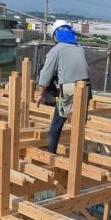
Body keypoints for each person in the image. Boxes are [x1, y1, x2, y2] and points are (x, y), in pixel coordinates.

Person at [36, 19, 91, 154]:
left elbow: (45, 74)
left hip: (69, 92)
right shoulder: (79, 47)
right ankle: (77, 153)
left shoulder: (57, 50)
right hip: (87, 89)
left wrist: (40, 94)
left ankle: (51, 154)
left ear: (55, 35)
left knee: (56, 125)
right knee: (78, 125)